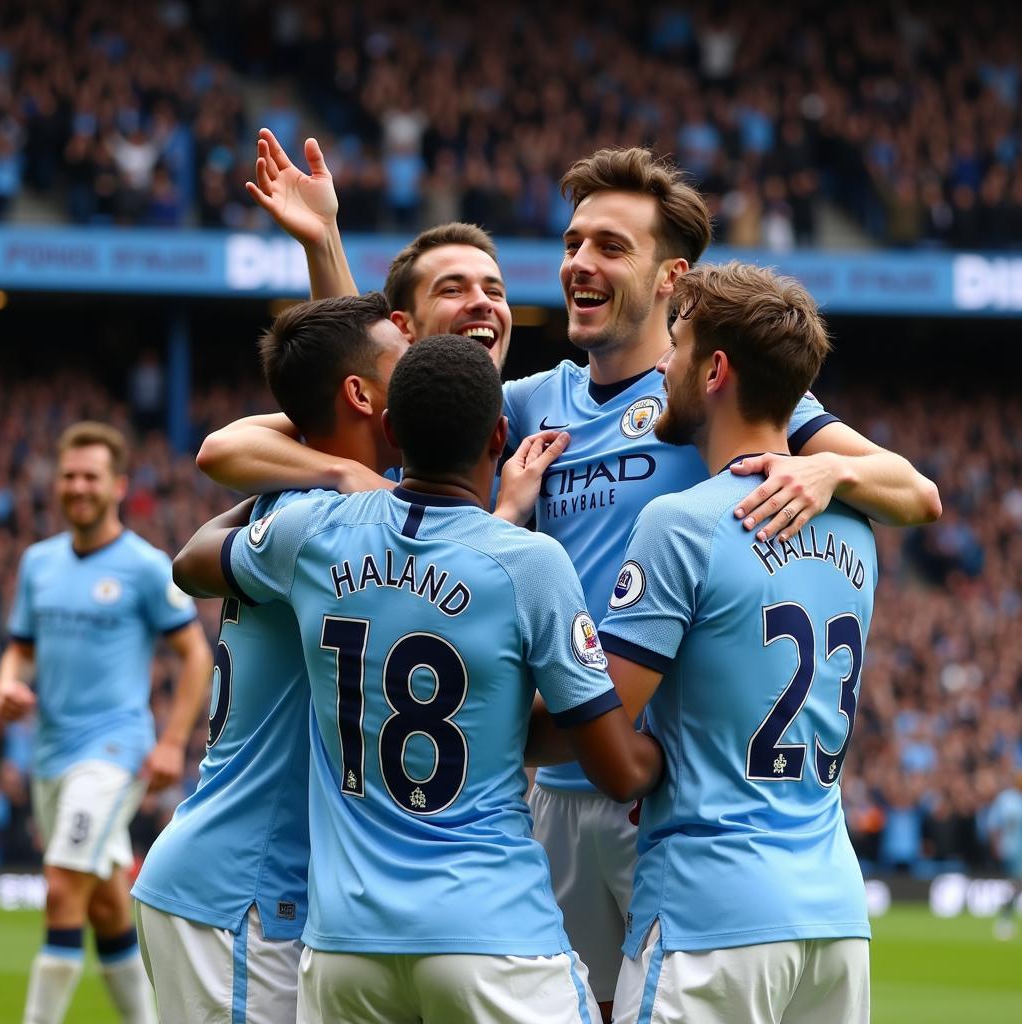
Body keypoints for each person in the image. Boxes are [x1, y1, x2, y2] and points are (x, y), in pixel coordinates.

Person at [205, 132, 941, 1017]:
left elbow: (918, 491)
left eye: (609, 247)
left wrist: (835, 469)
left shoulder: (701, 400)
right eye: (571, 243)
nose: (578, 263)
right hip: (547, 797)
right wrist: (325, 249)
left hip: (659, 792)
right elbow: (343, 408)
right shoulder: (525, 404)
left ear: (672, 282)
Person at [170, 334, 663, 1023]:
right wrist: (672, 749)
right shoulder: (530, 564)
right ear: (499, 435)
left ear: (393, 431)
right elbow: (617, 769)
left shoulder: (313, 532)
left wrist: (326, 477)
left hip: (344, 950)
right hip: (493, 938)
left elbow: (191, 561)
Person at [598, 262, 876, 1023]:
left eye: (677, 343)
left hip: (709, 914)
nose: (661, 361)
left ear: (715, 370)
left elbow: (602, 722)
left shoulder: (681, 522)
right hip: (834, 919)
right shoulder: (860, 528)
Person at [131, 295, 410, 1022]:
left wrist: (337, 457)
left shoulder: (290, 501)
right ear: (360, 394)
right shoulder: (330, 520)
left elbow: (219, 475)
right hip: (242, 890)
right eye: (403, 366)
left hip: (241, 880)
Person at [0, 421, 213, 1024]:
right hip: (50, 755)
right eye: (68, 475)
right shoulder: (39, 564)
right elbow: (20, 647)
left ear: (118, 485)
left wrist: (173, 742)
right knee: (106, 907)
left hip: (114, 752)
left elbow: (196, 653)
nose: (78, 486)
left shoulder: (145, 567)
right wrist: (6, 682)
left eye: (90, 476)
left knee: (63, 887)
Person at [988, 768, 1022, 940]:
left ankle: (1005, 917)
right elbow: (994, 824)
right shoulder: (1006, 799)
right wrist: (996, 846)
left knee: (1017, 884)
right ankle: (1005, 918)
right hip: (1012, 850)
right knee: (1016, 883)